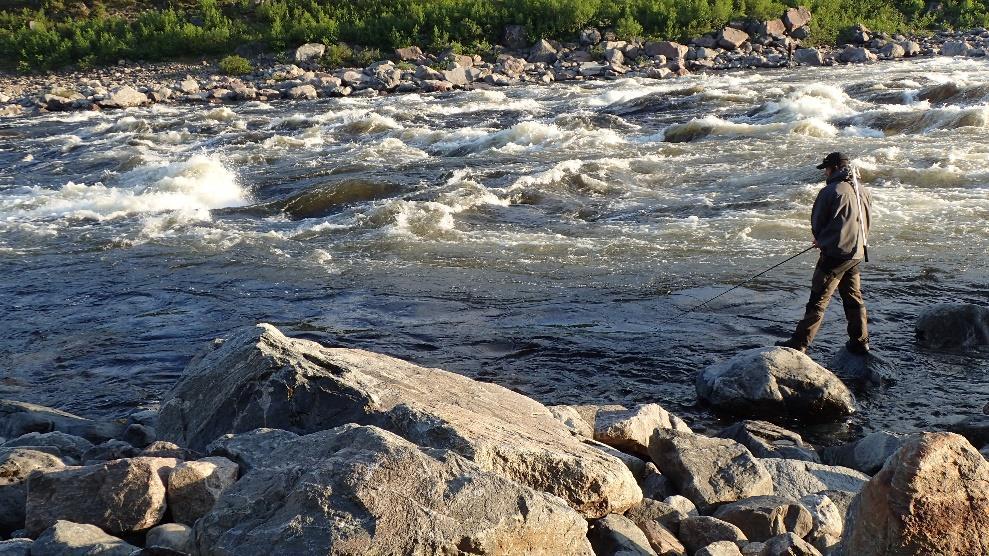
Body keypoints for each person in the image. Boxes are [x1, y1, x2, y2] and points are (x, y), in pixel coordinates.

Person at [778, 152, 872, 354]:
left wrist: (821, 240)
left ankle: (799, 344)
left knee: (818, 299)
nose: (825, 173)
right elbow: (866, 221)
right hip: (855, 253)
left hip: (835, 256)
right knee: (854, 298)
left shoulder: (830, 191)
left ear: (835, 168)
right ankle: (860, 341)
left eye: (826, 169)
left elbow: (817, 222)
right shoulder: (862, 190)